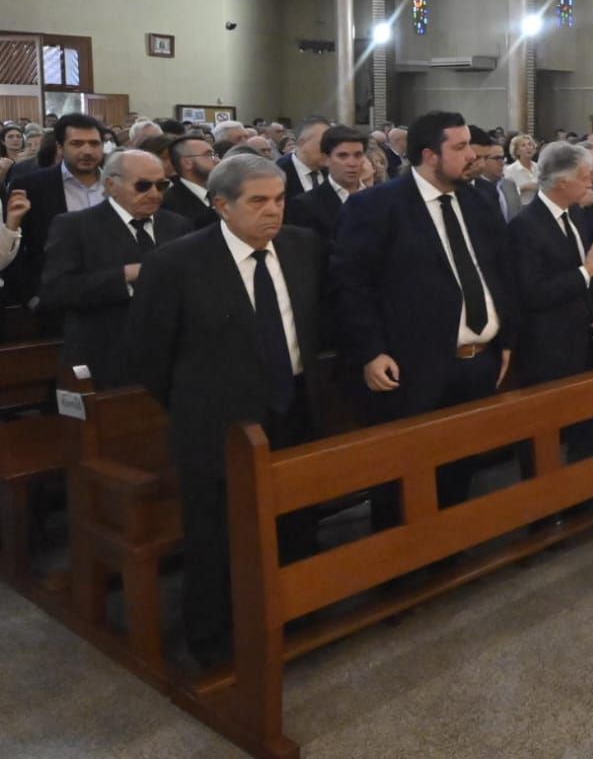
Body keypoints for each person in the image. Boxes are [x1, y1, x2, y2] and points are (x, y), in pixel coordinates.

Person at [131, 153, 323, 667]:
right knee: (216, 534)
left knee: (296, 520)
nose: (273, 212)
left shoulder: (302, 247)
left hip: (294, 407)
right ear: (221, 205)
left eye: (279, 200)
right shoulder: (176, 263)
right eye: (258, 201)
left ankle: (296, 618)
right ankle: (214, 641)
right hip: (215, 424)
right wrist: (201, 405)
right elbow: (150, 356)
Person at [332, 110, 517, 517]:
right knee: (404, 475)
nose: (473, 155)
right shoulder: (378, 206)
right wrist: (371, 350)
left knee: (459, 466)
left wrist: (505, 339)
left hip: (477, 362)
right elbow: (352, 285)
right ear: (430, 155)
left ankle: (445, 554)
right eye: (461, 146)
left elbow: (498, 273)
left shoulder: (480, 200)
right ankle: (399, 569)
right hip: (413, 365)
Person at [39, 150, 191, 387]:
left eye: (161, 185)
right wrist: (125, 276)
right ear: (111, 185)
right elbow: (56, 291)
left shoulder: (176, 224)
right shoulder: (75, 226)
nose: (154, 194)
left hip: (169, 358)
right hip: (105, 357)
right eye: (143, 186)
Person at [509, 142, 593, 460]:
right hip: (547, 345)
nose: (591, 183)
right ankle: (544, 502)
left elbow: (591, 273)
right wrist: (586, 272)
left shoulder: (577, 216)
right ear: (562, 181)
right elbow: (532, 292)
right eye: (584, 177)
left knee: (586, 423)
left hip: (583, 337)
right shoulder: (525, 227)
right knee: (544, 431)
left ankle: (583, 497)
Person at [7, 113, 107, 306]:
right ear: (60, 148)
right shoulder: (31, 186)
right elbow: (17, 246)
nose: (87, 151)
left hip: (115, 294)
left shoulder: (119, 184)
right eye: (77, 144)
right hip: (55, 298)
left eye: (94, 144)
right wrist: (31, 294)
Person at [286, 125, 366, 249]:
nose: (352, 163)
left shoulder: (381, 198)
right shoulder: (305, 205)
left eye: (358, 155)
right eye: (343, 156)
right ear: (326, 159)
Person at [470, 126, 521, 223]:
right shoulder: (473, 189)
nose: (502, 162)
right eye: (497, 158)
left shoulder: (510, 185)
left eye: (503, 158)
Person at [277, 116, 331, 198]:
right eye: (324, 143)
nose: (329, 148)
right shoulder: (278, 172)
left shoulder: (333, 172)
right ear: (302, 143)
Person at [505, 134, 539, 200]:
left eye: (530, 144)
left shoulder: (539, 167)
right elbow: (507, 195)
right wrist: (523, 188)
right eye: (523, 145)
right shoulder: (510, 170)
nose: (528, 147)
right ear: (517, 151)